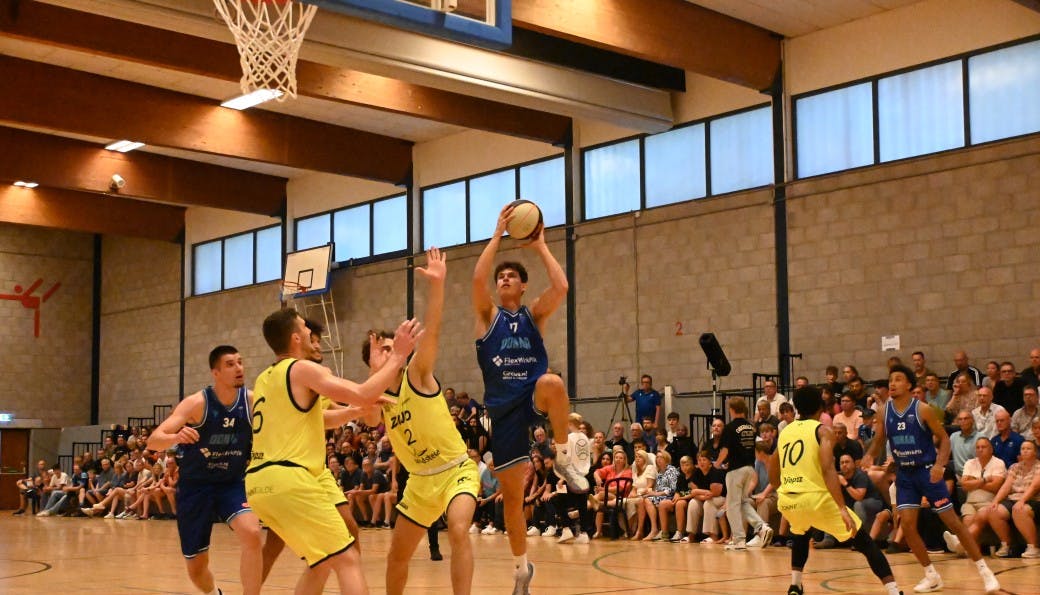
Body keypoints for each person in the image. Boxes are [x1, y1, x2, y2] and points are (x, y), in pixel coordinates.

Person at [247, 308, 420, 595]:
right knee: (347, 558)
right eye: (304, 328)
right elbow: (363, 393)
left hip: (259, 484)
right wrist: (398, 356)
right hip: (290, 479)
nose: (310, 333)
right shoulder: (302, 369)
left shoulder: (265, 378)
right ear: (295, 338)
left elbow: (317, 418)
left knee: (322, 560)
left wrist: (353, 411)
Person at [471, 203, 581, 594]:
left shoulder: (533, 316)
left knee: (553, 382)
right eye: (500, 276)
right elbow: (478, 277)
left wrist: (541, 246)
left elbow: (562, 288)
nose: (503, 279)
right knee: (513, 501)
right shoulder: (489, 316)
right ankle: (521, 570)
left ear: (522, 286)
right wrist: (496, 235)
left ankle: (563, 454)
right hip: (503, 413)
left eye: (511, 276)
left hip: (531, 396)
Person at [357, 247, 479, 595]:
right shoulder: (375, 394)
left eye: (390, 345)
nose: (389, 350)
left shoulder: (417, 373)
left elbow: (434, 330)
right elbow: (369, 415)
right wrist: (376, 371)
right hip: (420, 482)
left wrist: (437, 285)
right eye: (381, 349)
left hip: (455, 470)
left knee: (458, 530)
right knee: (397, 555)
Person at [866, 365, 999, 594]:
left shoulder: (923, 410)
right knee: (907, 526)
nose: (892, 383)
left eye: (898, 379)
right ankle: (931, 575)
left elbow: (944, 439)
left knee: (953, 522)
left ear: (909, 384)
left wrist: (939, 465)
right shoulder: (884, 412)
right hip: (905, 475)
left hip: (927, 471)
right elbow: (879, 440)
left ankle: (985, 571)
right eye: (890, 380)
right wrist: (869, 454)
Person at [145, 346, 265, 595]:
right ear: (215, 372)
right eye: (230, 364)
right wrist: (176, 437)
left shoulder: (252, 401)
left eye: (240, 362)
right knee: (197, 569)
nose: (239, 368)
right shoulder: (196, 403)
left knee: (253, 533)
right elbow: (153, 441)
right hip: (195, 488)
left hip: (232, 483)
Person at [767, 386, 902, 595]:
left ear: (797, 408)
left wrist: (781, 489)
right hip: (815, 499)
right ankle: (894, 591)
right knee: (865, 543)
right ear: (820, 407)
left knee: (801, 532)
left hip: (789, 500)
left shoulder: (786, 431)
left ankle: (795, 585)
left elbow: (772, 465)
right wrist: (841, 507)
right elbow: (828, 468)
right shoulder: (823, 430)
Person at [714, 396, 772, 550]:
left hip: (736, 470)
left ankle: (739, 540)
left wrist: (718, 463)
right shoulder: (751, 427)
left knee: (732, 505)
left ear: (732, 409)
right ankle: (762, 527)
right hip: (749, 468)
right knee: (743, 502)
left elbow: (725, 449)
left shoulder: (730, 427)